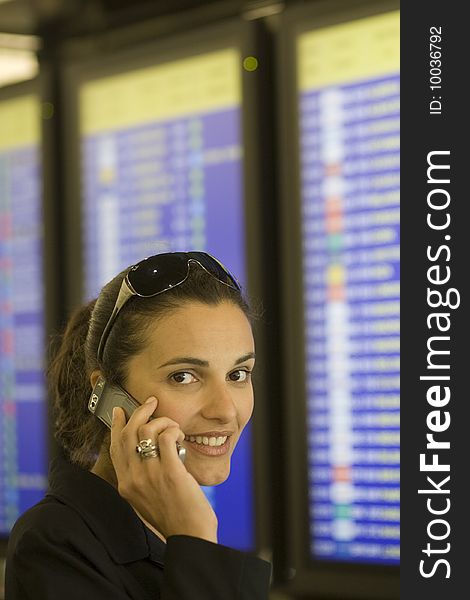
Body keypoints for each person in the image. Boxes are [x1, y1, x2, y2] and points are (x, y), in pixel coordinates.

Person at [5, 251, 272, 599]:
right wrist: (195, 538)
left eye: (238, 374)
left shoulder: (165, 533)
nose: (225, 410)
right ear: (106, 394)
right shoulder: (53, 548)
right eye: (184, 376)